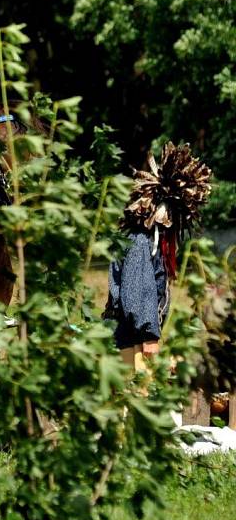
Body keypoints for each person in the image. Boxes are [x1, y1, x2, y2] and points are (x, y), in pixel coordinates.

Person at [105, 142, 211, 370]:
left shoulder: (145, 240)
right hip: (131, 344)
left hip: (136, 341)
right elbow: (137, 292)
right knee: (136, 400)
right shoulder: (141, 242)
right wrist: (150, 338)